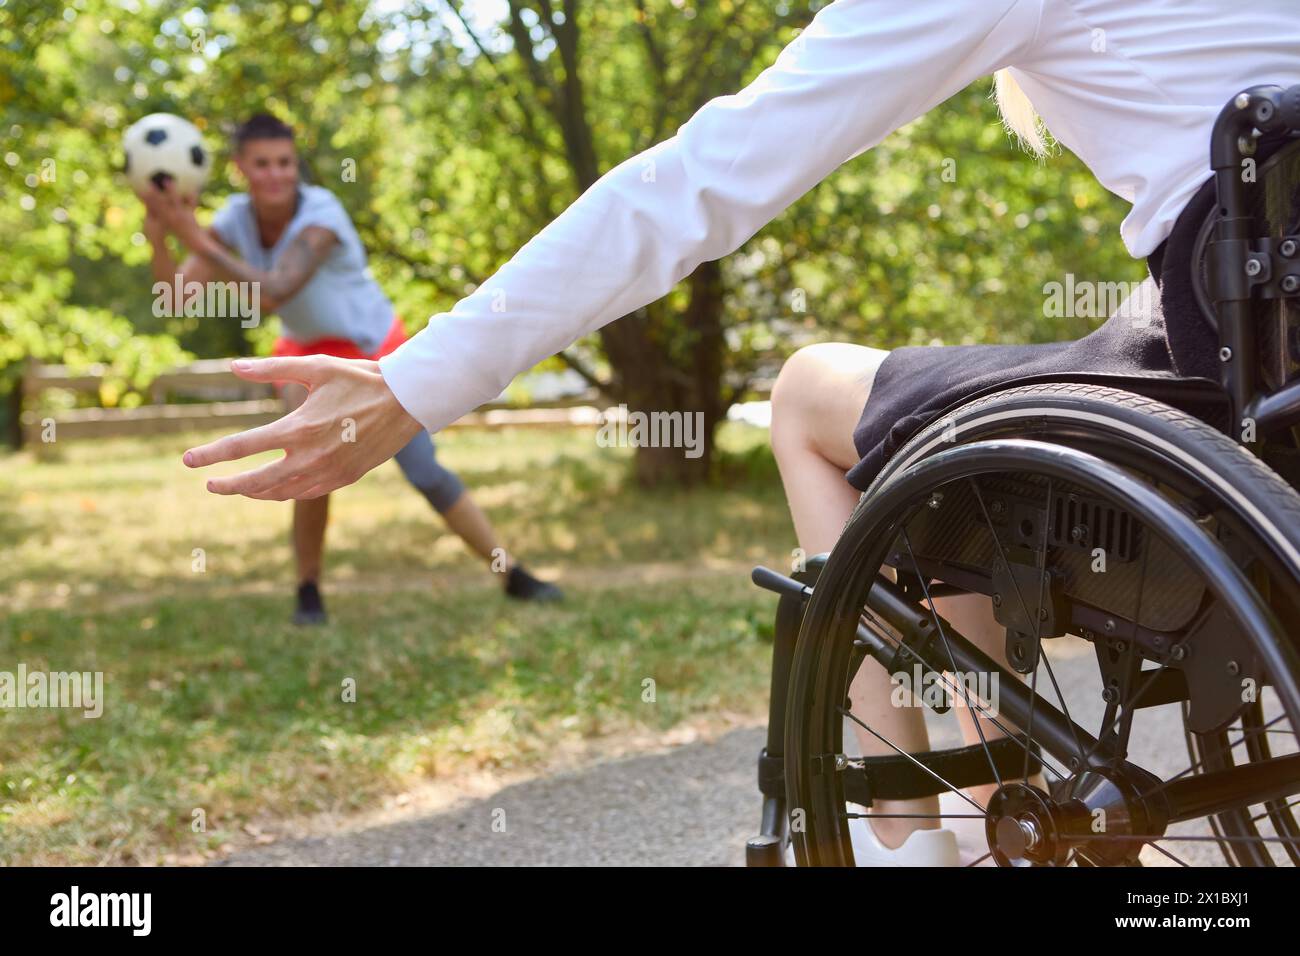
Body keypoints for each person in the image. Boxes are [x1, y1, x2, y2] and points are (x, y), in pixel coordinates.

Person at [181, 0, 1299, 862]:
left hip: (1237, 358)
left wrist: (418, 380)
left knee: (818, 396)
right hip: (1254, 347)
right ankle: (964, 795)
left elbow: (704, 179)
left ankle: (906, 830)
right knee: (950, 412)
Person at [141, 113, 562, 624]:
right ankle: (308, 593)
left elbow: (275, 290)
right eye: (262, 164)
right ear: (240, 169)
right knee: (307, 467)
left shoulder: (322, 214)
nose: (276, 174)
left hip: (375, 352)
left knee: (424, 470)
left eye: (285, 163)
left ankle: (511, 573)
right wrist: (162, 236)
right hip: (308, 353)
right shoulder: (233, 219)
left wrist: (195, 236)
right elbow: (178, 297)